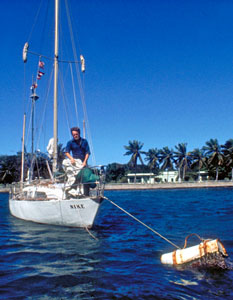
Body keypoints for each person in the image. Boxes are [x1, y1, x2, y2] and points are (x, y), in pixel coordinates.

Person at [63, 127, 91, 196]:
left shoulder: (84, 141)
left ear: (79, 133)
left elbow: (88, 152)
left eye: (76, 134)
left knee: (86, 178)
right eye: (73, 134)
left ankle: (86, 195)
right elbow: (66, 152)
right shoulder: (70, 142)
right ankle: (73, 194)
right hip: (75, 163)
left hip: (83, 162)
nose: (75, 135)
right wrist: (71, 159)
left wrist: (85, 161)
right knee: (75, 178)